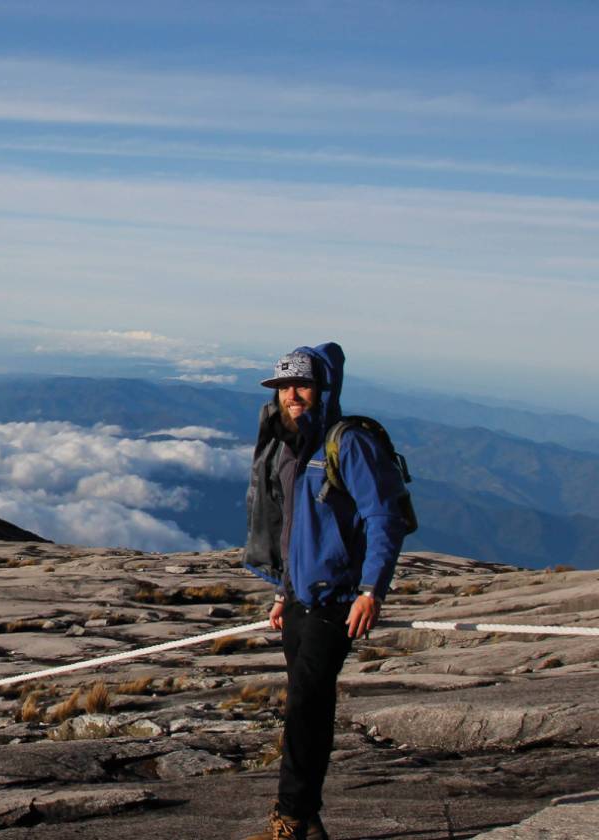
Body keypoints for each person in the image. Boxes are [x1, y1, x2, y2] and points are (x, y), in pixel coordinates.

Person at [240, 343, 412, 840]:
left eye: (302, 385)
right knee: (306, 706)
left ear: (325, 388)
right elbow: (293, 529)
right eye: (284, 387)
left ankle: (291, 820)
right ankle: (305, 820)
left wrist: (370, 590)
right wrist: (281, 591)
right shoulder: (295, 446)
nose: (292, 395)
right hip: (298, 600)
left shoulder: (348, 442)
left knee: (305, 709)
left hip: (335, 602)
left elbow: (385, 517)